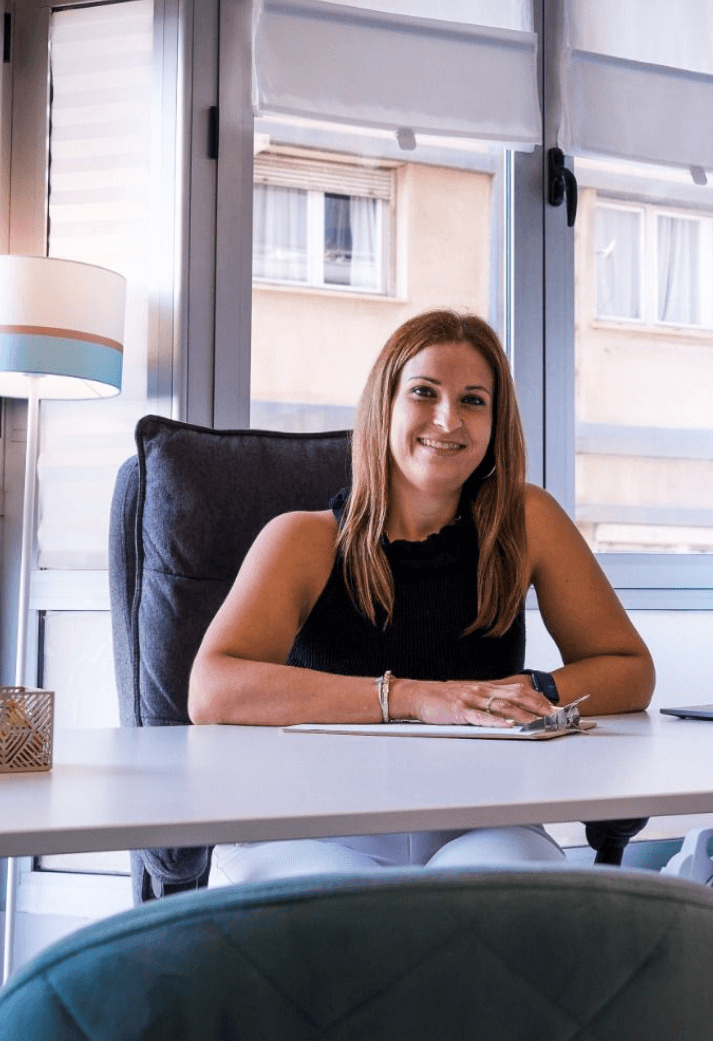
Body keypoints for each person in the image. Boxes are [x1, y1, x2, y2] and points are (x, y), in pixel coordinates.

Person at [189, 309, 655, 883]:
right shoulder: (302, 539)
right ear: (384, 406)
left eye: (473, 400)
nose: (448, 419)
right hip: (311, 819)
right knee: (343, 917)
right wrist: (415, 697)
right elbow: (212, 690)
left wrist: (522, 694)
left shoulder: (526, 520)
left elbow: (630, 669)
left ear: (496, 423)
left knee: (510, 901)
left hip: (482, 817)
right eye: (424, 392)